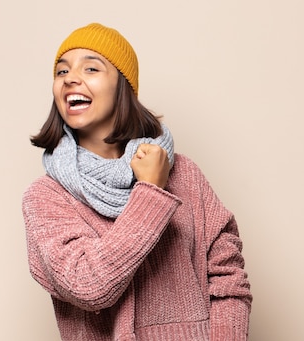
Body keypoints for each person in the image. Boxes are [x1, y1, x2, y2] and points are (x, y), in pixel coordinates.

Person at [22, 23, 252, 341]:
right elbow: (88, 286)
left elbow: (228, 278)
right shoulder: (47, 196)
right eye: (62, 72)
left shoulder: (185, 174)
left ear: (124, 86)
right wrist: (151, 192)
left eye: (91, 68)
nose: (70, 78)